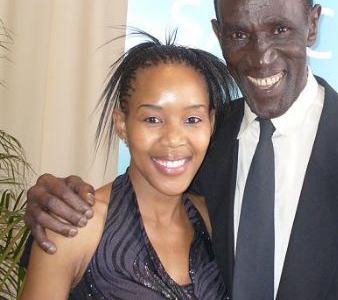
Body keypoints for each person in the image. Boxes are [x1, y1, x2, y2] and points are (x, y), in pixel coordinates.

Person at [23, 0, 338, 299]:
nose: (261, 54)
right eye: (239, 34)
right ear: (218, 33)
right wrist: (53, 203)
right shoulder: (202, 138)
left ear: (314, 24)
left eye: (279, 28)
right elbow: (128, 221)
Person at [21, 32, 236, 299]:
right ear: (122, 123)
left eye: (192, 119)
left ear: (211, 123)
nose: (173, 139)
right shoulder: (74, 227)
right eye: (152, 119)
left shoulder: (212, 220)